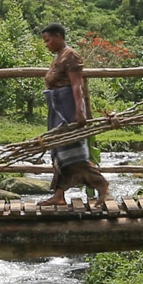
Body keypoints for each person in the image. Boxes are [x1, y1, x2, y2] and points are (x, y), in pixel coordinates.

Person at [39, 24, 109, 206]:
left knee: (73, 152)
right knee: (60, 151)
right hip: (59, 111)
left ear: (58, 36)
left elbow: (76, 85)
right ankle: (59, 195)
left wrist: (79, 112)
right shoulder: (58, 57)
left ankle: (100, 184)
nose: (46, 44)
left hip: (68, 111)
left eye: (48, 40)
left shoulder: (70, 56)